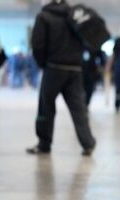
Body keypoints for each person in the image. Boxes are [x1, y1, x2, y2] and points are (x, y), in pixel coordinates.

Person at [27, 0, 97, 156]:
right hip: (75, 68)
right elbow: (86, 40)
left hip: (54, 68)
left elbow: (37, 44)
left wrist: (43, 63)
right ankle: (88, 143)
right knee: (79, 108)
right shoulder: (74, 15)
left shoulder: (43, 16)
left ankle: (44, 144)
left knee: (46, 107)